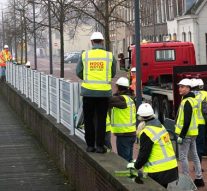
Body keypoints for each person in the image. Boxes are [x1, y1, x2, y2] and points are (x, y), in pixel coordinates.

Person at [76, 31, 116, 153]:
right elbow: (113, 73)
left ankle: (90, 146)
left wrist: (88, 78)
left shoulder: (84, 55)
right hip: (104, 93)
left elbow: (78, 72)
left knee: (88, 119)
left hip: (88, 93)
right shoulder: (109, 56)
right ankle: (99, 146)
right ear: (102, 42)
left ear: (92, 42)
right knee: (101, 120)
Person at [127, 103, 178, 188]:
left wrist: (135, 166)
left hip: (158, 170)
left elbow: (144, 154)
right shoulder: (161, 127)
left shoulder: (146, 132)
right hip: (171, 167)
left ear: (140, 117)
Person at [175, 78, 205, 187]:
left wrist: (181, 135)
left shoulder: (187, 101)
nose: (180, 88)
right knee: (195, 155)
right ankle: (199, 178)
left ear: (188, 88)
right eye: (180, 86)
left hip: (186, 134)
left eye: (182, 87)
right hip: (193, 133)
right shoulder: (193, 100)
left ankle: (186, 179)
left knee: (183, 157)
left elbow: (187, 120)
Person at [109, 77, 136, 162]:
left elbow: (108, 100)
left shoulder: (122, 99)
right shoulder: (129, 98)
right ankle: (130, 174)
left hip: (124, 134)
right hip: (130, 133)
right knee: (129, 159)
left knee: (123, 160)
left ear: (118, 87)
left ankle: (126, 175)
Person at [191, 78, 207, 170]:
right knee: (200, 145)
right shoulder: (205, 94)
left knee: (194, 145)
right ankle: (198, 166)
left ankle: (197, 164)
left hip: (191, 124)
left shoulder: (188, 96)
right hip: (201, 123)